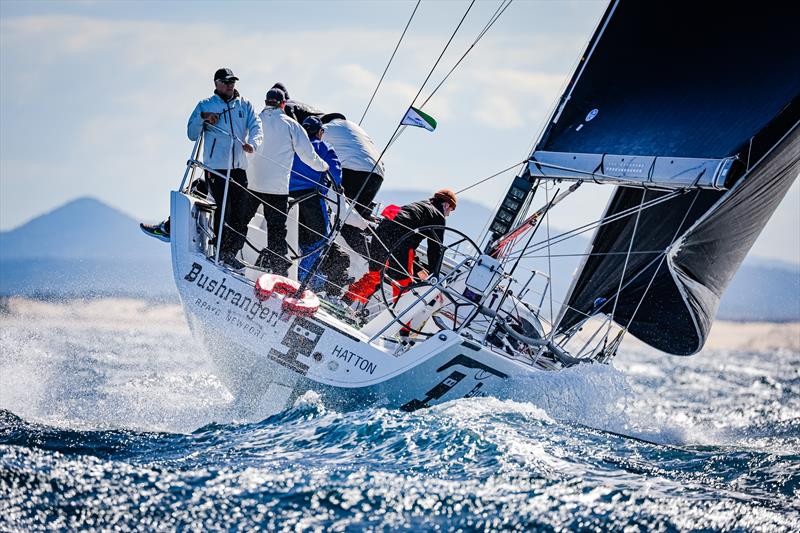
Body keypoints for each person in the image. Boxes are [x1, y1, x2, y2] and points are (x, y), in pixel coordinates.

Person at [141, 68, 263, 273]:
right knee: (226, 210)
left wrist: (253, 143)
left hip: (239, 168)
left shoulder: (245, 104)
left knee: (241, 213)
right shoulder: (205, 105)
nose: (230, 85)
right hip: (215, 167)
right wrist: (203, 118)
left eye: (232, 81)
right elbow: (191, 133)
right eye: (225, 82)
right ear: (216, 83)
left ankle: (230, 254)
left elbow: (256, 125)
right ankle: (221, 253)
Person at [247, 87, 328, 276]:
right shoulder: (291, 125)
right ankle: (279, 269)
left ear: (266, 102)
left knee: (241, 221)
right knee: (277, 229)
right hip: (277, 189)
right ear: (283, 104)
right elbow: (309, 156)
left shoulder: (254, 121)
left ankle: (226, 253)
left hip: (252, 184)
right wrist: (324, 167)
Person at [342, 189, 457, 305]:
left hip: (382, 232)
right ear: (446, 205)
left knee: (376, 275)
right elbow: (435, 248)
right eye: (450, 211)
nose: (448, 214)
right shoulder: (438, 215)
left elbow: (401, 227)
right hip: (400, 242)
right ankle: (399, 320)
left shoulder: (418, 205)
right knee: (403, 284)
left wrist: (419, 269)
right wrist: (434, 275)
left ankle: (345, 301)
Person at [289, 116, 350, 295]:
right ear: (320, 132)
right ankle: (302, 281)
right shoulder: (324, 147)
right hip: (311, 198)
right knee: (320, 240)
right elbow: (335, 173)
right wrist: (338, 187)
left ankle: (293, 274)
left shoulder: (295, 144)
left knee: (297, 238)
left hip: (287, 197)